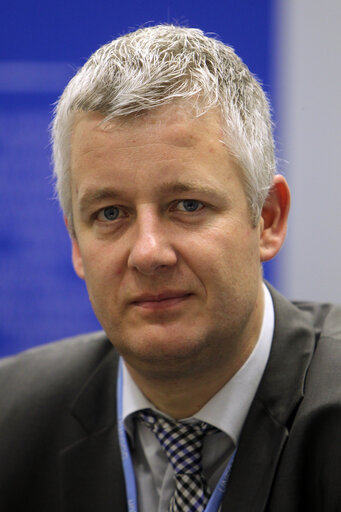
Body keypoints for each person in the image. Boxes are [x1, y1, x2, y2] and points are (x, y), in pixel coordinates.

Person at [1, 24, 341, 512]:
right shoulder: (10, 419)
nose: (148, 253)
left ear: (267, 218)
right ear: (76, 243)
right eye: (110, 214)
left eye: (187, 205)